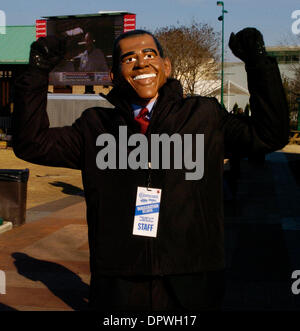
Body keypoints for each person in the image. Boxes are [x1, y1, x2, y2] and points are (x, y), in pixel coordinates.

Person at [12, 28, 289, 311]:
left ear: (166, 66)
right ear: (113, 75)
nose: (141, 63)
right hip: (119, 277)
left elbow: (270, 135)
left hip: (192, 275)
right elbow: (32, 143)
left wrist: (258, 64)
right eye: (129, 58)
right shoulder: (95, 127)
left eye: (149, 54)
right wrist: (38, 70)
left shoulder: (203, 116)